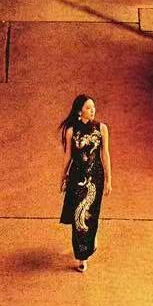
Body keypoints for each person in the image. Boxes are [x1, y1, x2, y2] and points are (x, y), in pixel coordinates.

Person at [58, 92, 111, 272]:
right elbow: (68, 156)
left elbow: (105, 155)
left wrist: (109, 180)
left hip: (95, 177)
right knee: (77, 215)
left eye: (93, 107)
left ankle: (90, 241)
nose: (92, 110)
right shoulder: (71, 131)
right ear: (79, 111)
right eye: (88, 108)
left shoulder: (102, 129)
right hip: (76, 177)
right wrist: (62, 178)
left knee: (91, 213)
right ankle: (81, 256)